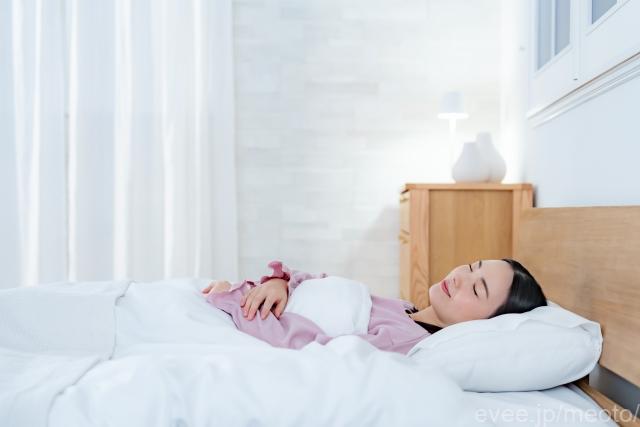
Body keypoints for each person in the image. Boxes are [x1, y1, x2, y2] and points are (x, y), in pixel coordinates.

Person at [201, 259, 547, 355]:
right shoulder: (406, 310)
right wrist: (279, 282)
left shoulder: (404, 340)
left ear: (484, 325)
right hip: (260, 301)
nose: (460, 278)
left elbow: (306, 344)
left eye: (477, 288)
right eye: (471, 267)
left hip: (251, 317)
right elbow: (321, 286)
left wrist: (235, 300)